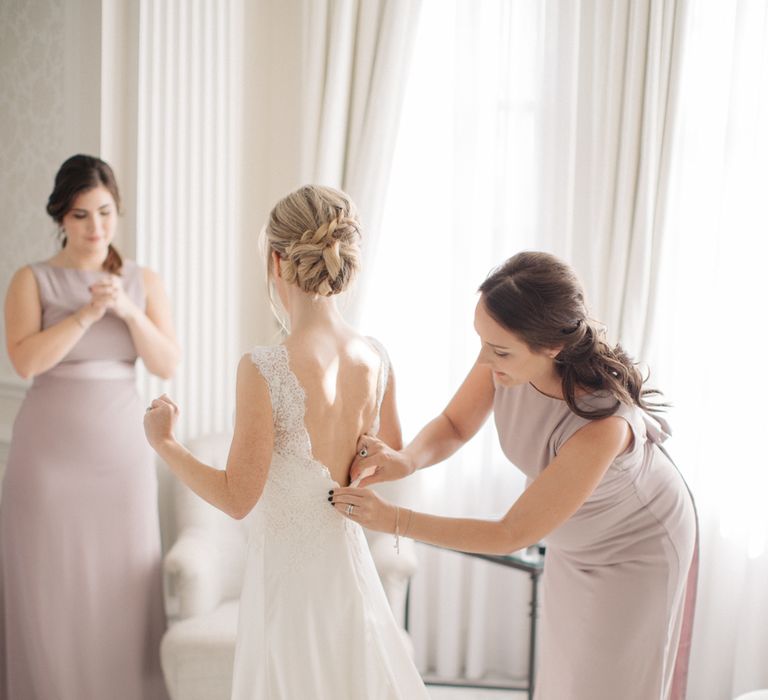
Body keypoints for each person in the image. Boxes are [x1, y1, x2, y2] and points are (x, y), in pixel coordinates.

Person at [331, 251, 698, 700]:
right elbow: (455, 424)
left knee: (610, 683)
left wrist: (395, 521)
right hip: (574, 538)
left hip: (636, 546)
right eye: (482, 341)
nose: (485, 358)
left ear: (553, 347)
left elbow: (511, 533)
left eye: (499, 349)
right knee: (565, 680)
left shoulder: (604, 427)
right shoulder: (506, 360)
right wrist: (406, 460)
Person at [143, 184, 429, 699]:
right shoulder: (376, 357)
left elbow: (236, 497)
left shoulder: (266, 366)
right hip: (349, 576)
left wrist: (166, 444)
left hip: (289, 588)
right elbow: (392, 457)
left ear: (277, 262)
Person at [1, 154, 179, 700]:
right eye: (81, 216)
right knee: (49, 591)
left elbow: (166, 364)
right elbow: (25, 363)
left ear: (117, 211)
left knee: (124, 587)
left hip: (121, 461)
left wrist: (126, 310)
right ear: (61, 217)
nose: (96, 228)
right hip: (47, 464)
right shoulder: (32, 279)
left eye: (104, 213)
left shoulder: (142, 280)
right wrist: (83, 314)